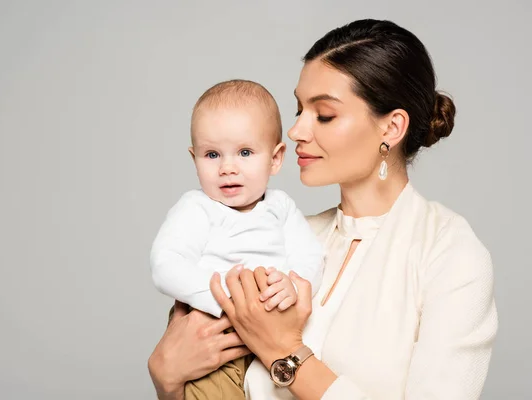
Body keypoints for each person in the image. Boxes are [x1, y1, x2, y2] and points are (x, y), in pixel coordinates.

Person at [148, 18, 498, 400]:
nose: (296, 130)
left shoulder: (448, 253)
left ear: (391, 128)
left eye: (324, 114)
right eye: (299, 109)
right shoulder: (285, 238)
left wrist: (284, 351)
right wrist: (167, 380)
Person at [149, 79, 325, 399]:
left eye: (245, 152)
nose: (228, 168)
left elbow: (310, 257)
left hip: (272, 331)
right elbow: (166, 265)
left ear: (275, 158)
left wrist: (292, 286)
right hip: (213, 334)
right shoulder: (197, 208)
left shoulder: (280, 207)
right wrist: (226, 301)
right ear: (194, 159)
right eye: (212, 154)